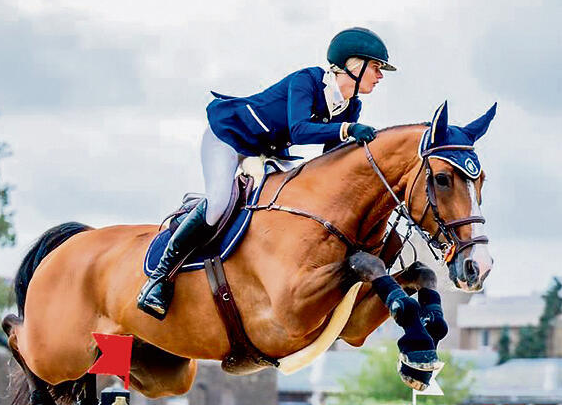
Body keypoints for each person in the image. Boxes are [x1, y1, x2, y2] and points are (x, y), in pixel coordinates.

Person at [137, 27, 396, 319]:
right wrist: (347, 130)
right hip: (230, 138)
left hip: (267, 151)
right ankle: (158, 279)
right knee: (218, 204)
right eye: (376, 67)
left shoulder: (351, 106)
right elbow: (298, 129)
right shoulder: (307, 80)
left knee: (298, 200)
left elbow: (329, 157)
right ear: (354, 65)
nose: (380, 76)